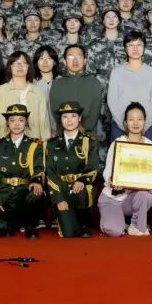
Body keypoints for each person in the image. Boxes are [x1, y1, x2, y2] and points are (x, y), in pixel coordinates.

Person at [0, 104, 47, 239]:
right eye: (12, 120)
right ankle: (15, 223)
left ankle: (30, 225)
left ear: (26, 122)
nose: (17, 124)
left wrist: (37, 181)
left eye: (21, 120)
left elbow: (39, 167)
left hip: (25, 191)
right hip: (5, 193)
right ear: (7, 123)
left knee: (37, 193)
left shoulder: (35, 144)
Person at [99, 103, 152, 237]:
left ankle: (136, 225)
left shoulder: (150, 145)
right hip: (113, 197)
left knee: (146, 195)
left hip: (132, 199)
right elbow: (107, 172)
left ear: (145, 121)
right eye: (131, 119)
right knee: (114, 231)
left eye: (139, 119)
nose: (135, 123)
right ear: (125, 123)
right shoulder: (118, 143)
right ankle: (111, 222)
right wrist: (112, 180)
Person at [45, 101, 99, 238]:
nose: (69, 120)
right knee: (68, 234)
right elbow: (50, 173)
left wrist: (81, 180)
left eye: (73, 116)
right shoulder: (51, 144)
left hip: (80, 189)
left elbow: (93, 167)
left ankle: (85, 224)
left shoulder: (89, 142)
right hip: (61, 189)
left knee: (80, 192)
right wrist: (58, 199)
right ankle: (70, 221)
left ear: (79, 118)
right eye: (65, 116)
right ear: (60, 119)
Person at [107, 32, 152, 141]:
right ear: (125, 48)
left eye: (139, 45)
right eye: (131, 45)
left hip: (146, 127)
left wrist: (144, 125)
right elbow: (112, 101)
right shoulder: (117, 72)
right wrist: (124, 125)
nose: (135, 49)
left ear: (144, 47)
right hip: (120, 126)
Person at [0, 51, 52, 141]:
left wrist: (45, 145)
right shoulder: (0, 92)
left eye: (23, 63)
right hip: (6, 144)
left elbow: (44, 124)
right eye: (16, 63)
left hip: (33, 144)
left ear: (28, 66)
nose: (20, 66)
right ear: (10, 67)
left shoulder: (37, 92)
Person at [49, 45, 104, 138]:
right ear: (65, 62)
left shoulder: (94, 83)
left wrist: (83, 127)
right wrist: (68, 126)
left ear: (85, 60)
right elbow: (56, 112)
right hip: (64, 134)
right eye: (70, 57)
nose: (75, 60)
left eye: (79, 56)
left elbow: (95, 111)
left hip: (88, 134)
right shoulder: (56, 84)